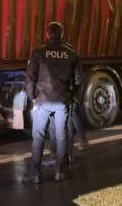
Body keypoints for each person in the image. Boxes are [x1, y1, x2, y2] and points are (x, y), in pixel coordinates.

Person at [24, 22, 83, 183]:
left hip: (42, 101)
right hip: (62, 101)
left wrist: (32, 97)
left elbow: (29, 78)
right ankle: (59, 172)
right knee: (62, 136)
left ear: (47, 34)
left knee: (38, 137)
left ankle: (35, 174)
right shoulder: (71, 53)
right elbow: (78, 79)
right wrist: (71, 96)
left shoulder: (39, 52)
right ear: (62, 34)